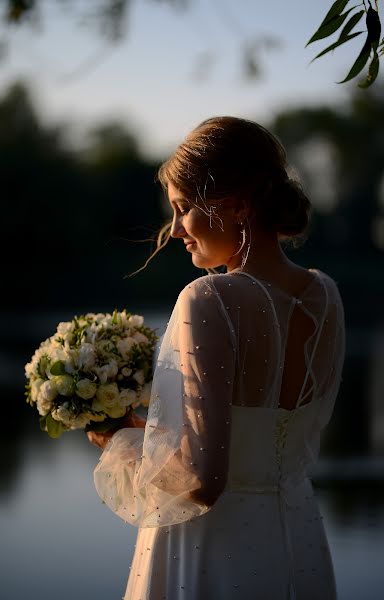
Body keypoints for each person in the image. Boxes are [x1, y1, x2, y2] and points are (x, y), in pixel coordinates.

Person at [87, 116, 345, 599]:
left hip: (211, 544)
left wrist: (119, 440)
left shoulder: (210, 298)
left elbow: (203, 481)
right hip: (297, 534)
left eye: (184, 209)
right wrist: (151, 434)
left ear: (239, 206)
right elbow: (252, 440)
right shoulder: (325, 295)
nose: (177, 229)